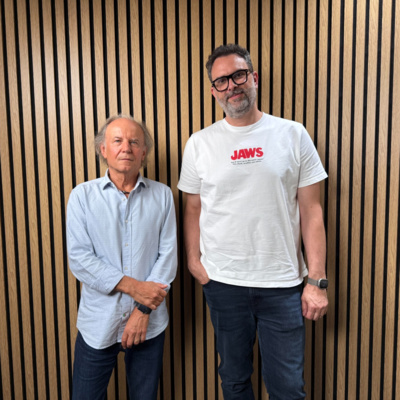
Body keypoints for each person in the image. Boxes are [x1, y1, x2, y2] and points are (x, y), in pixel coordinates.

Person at [178, 44, 329, 399]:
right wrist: (194, 261)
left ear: (254, 77)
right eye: (221, 81)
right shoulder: (199, 143)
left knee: (288, 387)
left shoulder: (293, 134)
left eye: (238, 75)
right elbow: (192, 209)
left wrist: (317, 280)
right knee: (234, 381)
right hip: (223, 283)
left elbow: (312, 211)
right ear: (213, 91)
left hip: (283, 284)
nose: (231, 85)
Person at [67, 115, 177, 400]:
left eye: (134, 142)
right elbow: (79, 259)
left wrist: (142, 310)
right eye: (117, 141)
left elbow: (168, 257)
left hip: (149, 324)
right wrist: (136, 288)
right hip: (98, 323)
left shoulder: (163, 195)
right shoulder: (81, 196)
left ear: (144, 152)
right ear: (103, 149)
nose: (126, 147)